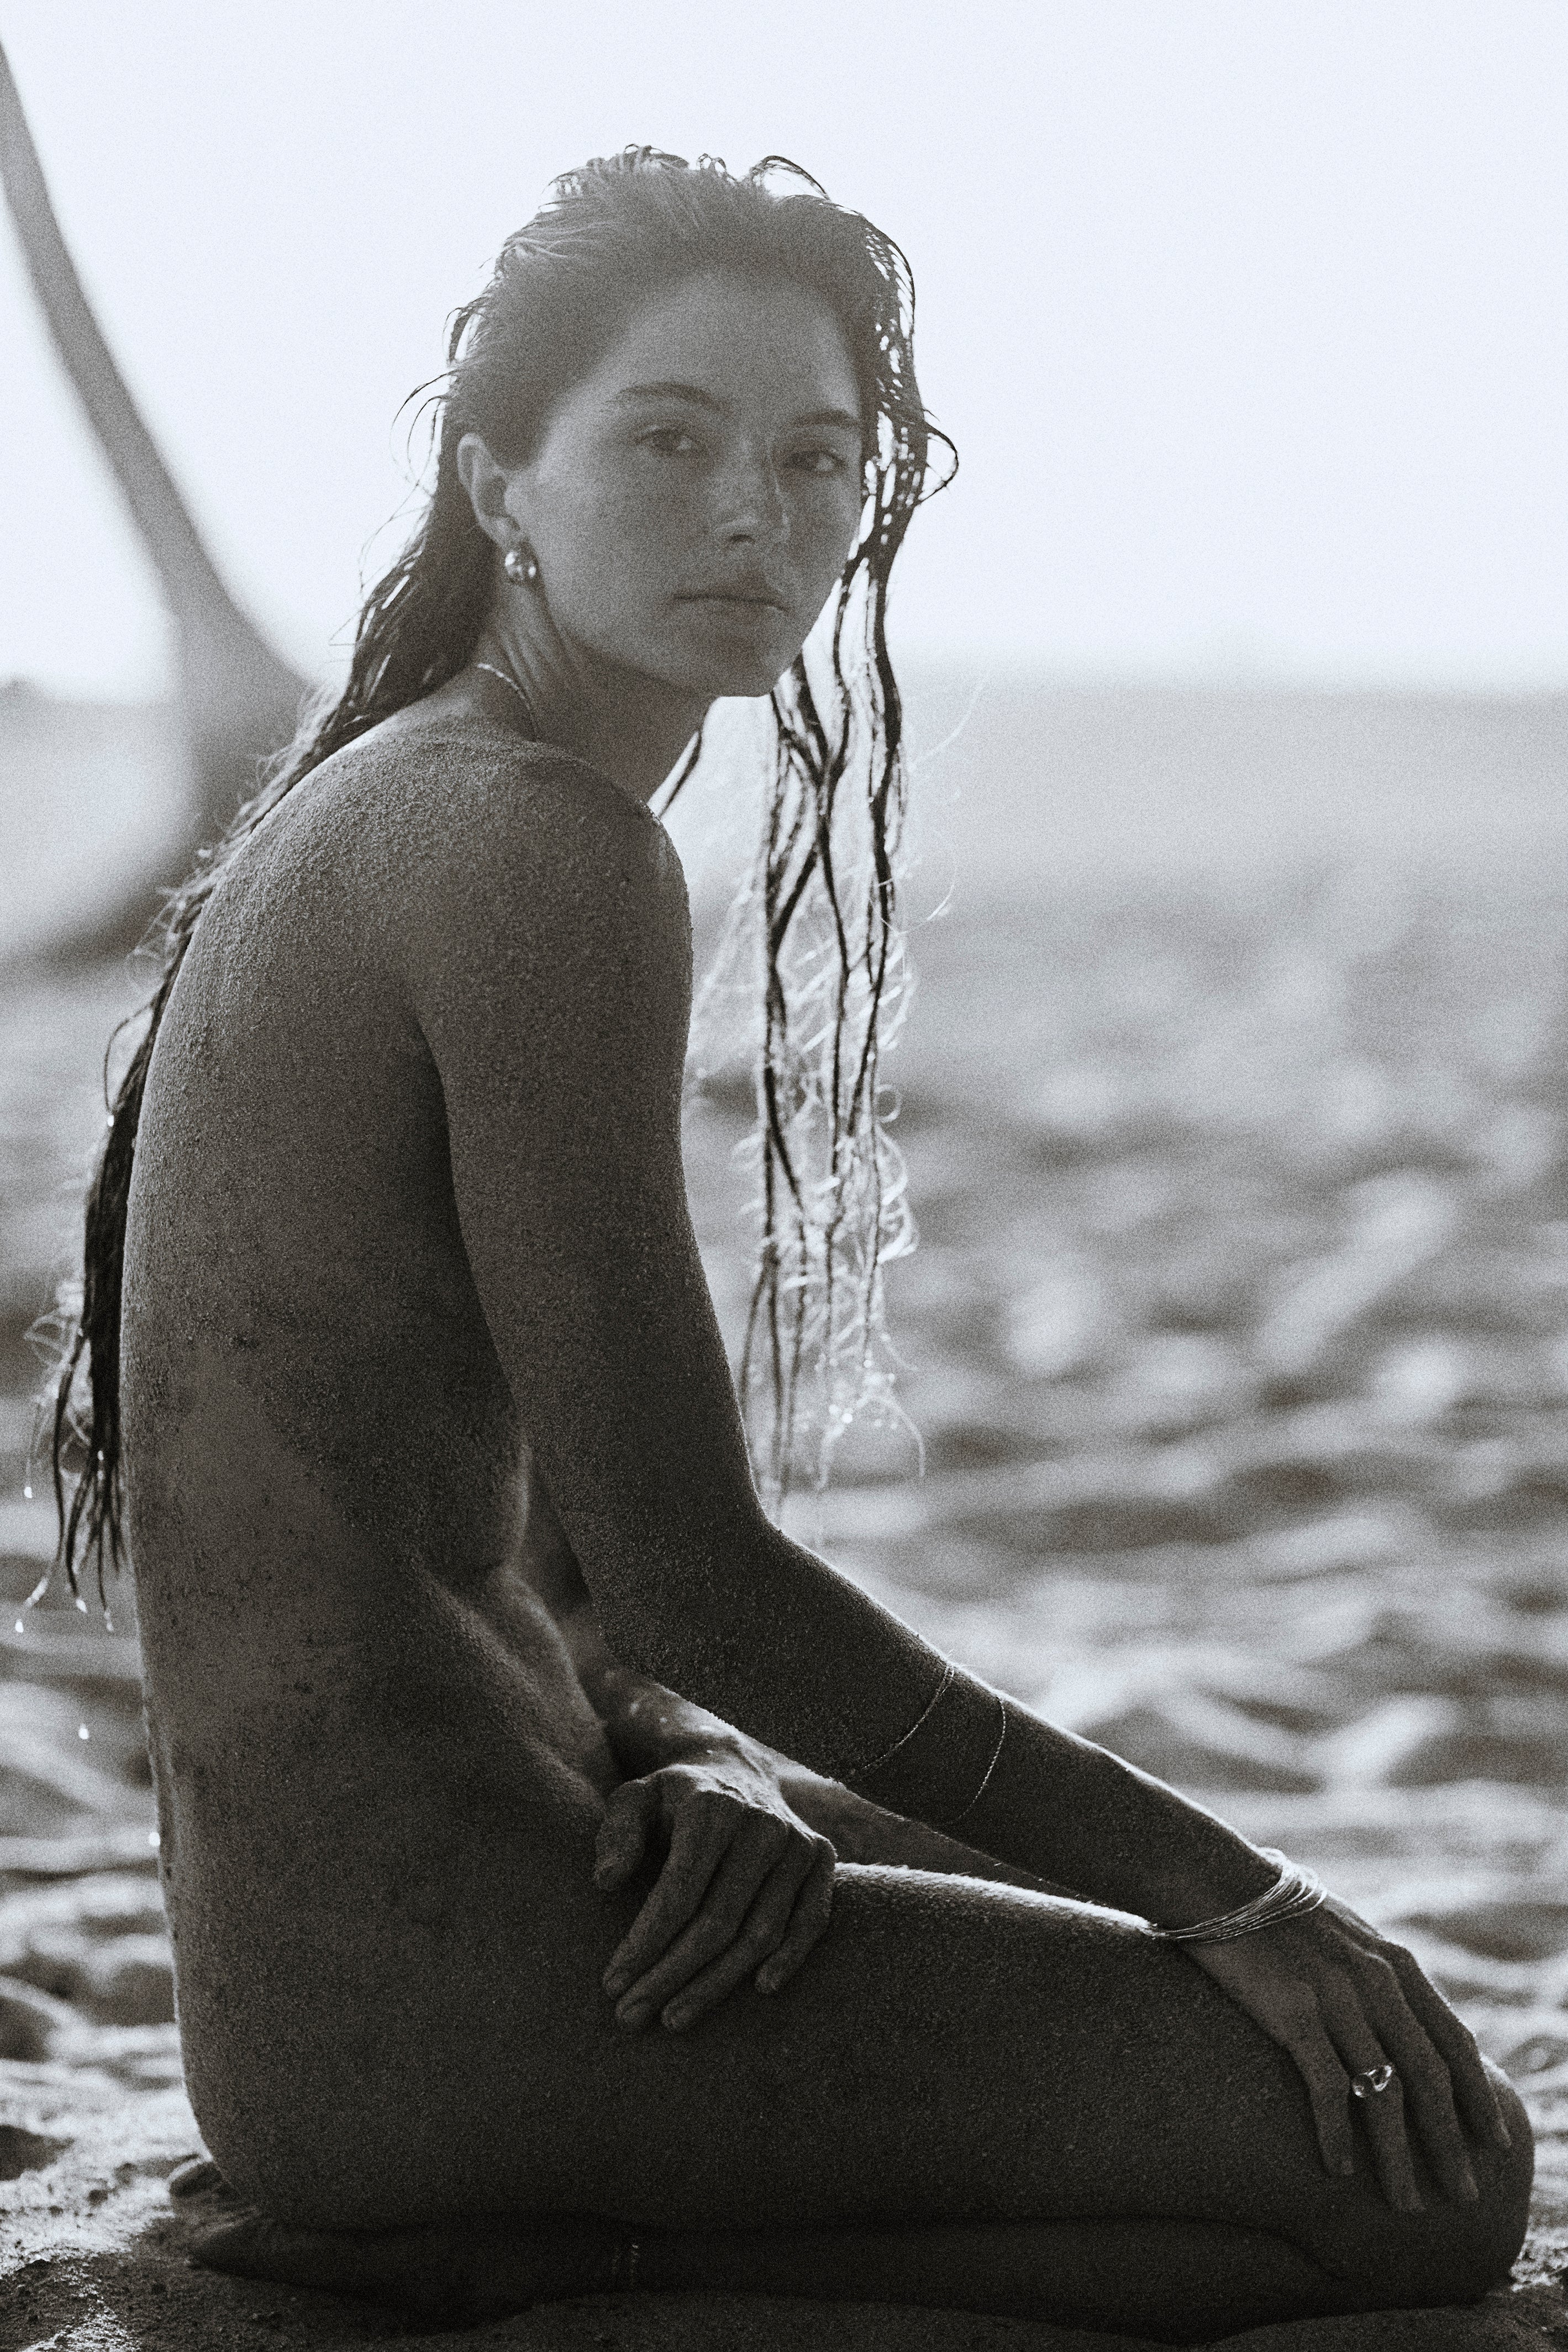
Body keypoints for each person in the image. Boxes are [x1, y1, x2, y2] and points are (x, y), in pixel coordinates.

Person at [50, 150, 1529, 2342]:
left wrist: (693, 1750)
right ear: (500, 484)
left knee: (1302, 2049)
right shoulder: (529, 845)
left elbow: (552, 1545)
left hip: (365, 1967)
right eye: (669, 441)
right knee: (1430, 2168)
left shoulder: (407, 784)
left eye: (816, 458)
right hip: (450, 2000)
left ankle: (588, 2218)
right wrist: (1250, 1889)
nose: (755, 512)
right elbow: (695, 1572)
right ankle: (595, 2250)